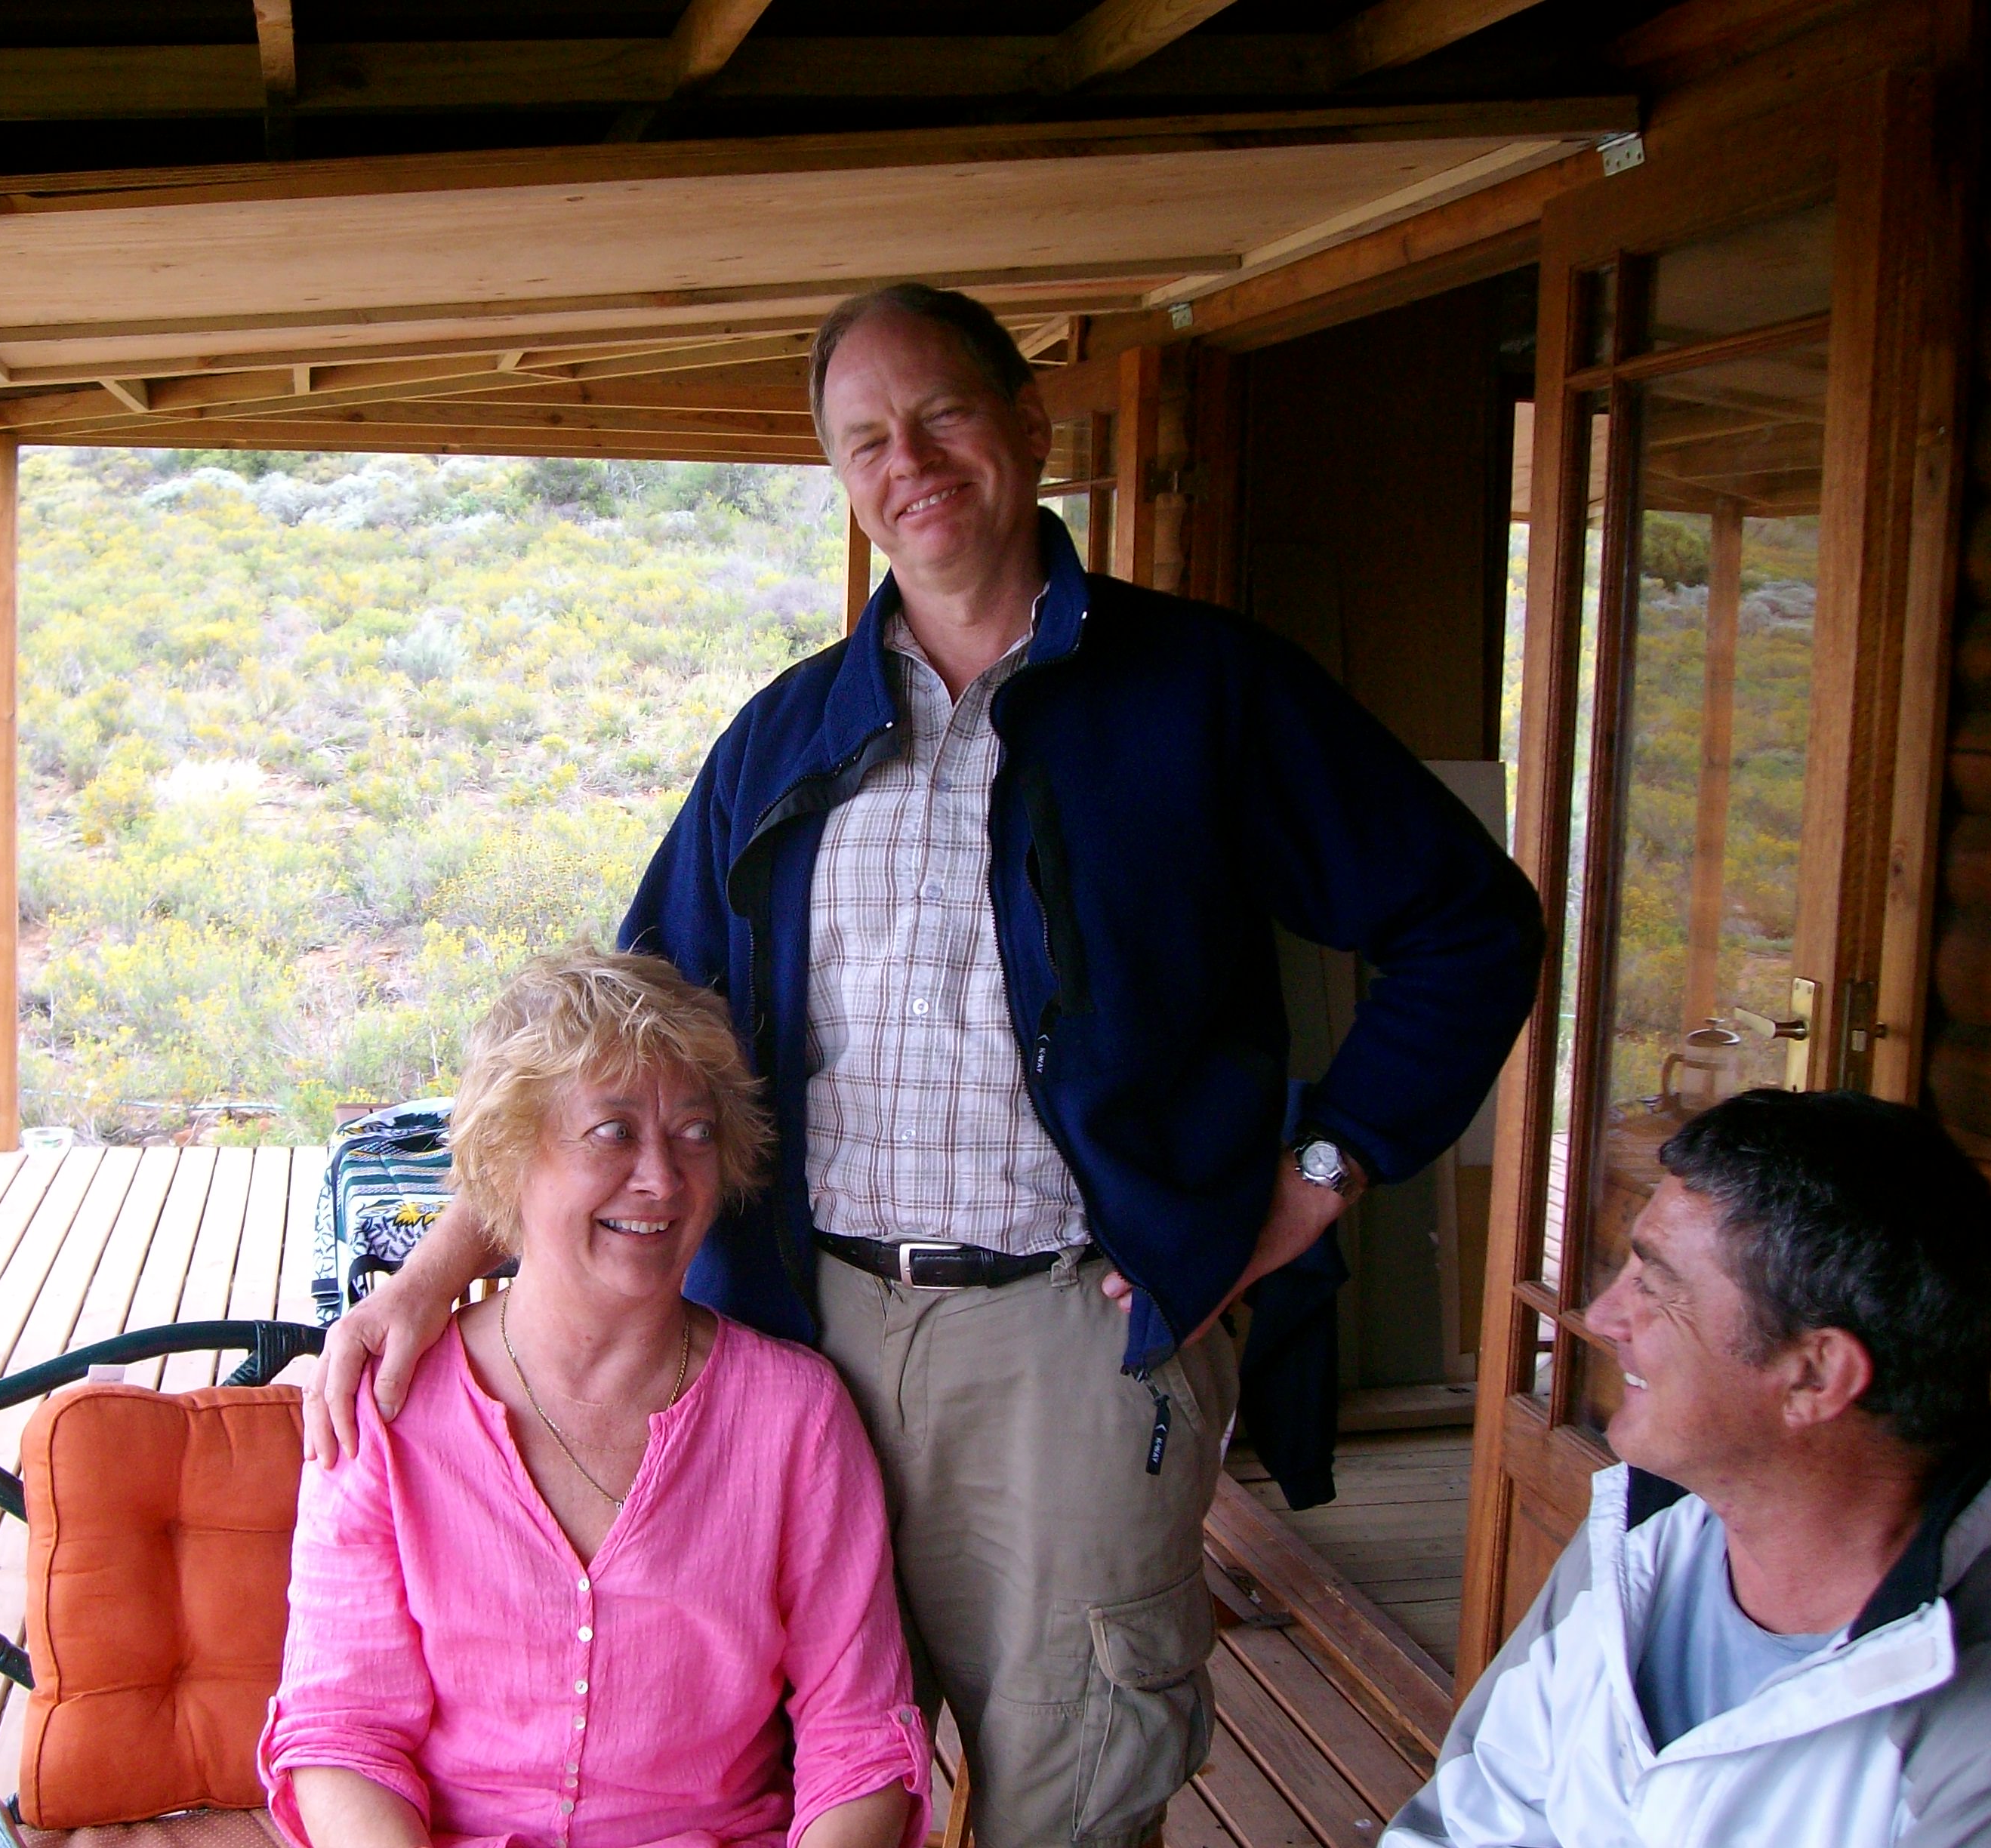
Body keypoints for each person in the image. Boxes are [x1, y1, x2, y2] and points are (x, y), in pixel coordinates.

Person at [306, 283, 1543, 1846]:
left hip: (1070, 1344)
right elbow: (598, 1064)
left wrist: (1320, 1172)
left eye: (944, 414)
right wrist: (431, 1279)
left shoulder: (1204, 696)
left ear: (1030, 428)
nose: (911, 459)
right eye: (864, 438)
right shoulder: (786, 738)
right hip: (796, 1334)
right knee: (815, 1765)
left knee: (1072, 1786)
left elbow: (1467, 922)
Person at [260, 947, 927, 1848]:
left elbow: (860, 1743)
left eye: (694, 1132)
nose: (662, 1177)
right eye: (612, 1131)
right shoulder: (391, 1407)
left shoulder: (794, 1417)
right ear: (508, 1159)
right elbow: (341, 1731)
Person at [1385, 1089, 1991, 1848]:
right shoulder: (1635, 1545)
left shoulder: (1962, 1711)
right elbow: (1472, 1818)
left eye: (1657, 1287)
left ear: (1815, 1376)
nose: (1603, 1319)